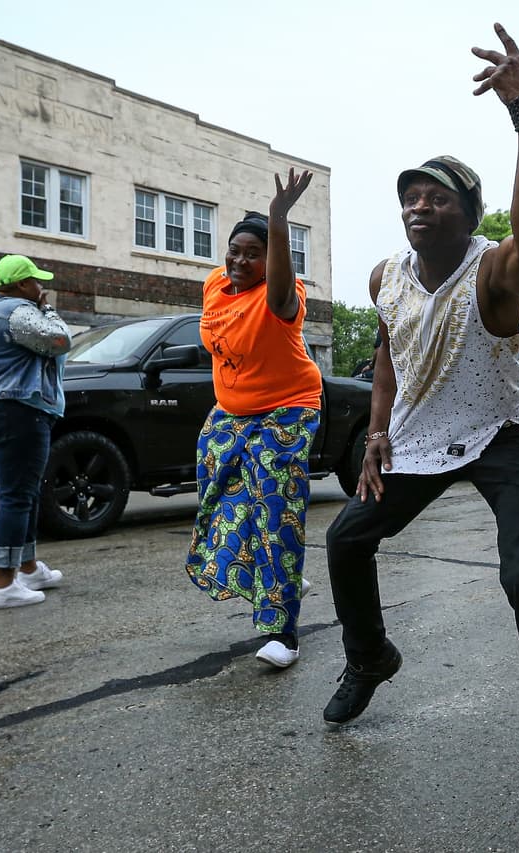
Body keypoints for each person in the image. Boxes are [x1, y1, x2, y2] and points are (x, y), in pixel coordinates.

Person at [323, 25, 519, 826]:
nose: (418, 203)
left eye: (436, 194)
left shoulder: (495, 269)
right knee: (346, 539)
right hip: (415, 438)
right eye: (410, 194)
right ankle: (369, 655)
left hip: (499, 432)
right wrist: (377, 431)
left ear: (469, 213)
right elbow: (387, 353)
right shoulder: (386, 275)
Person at [184, 169, 321, 670]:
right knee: (221, 500)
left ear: (271, 259)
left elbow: (281, 293)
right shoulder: (215, 285)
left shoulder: (285, 296)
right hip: (230, 413)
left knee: (274, 508)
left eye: (253, 253)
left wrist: (279, 219)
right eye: (234, 250)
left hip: (287, 409)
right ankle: (282, 570)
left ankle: (283, 630)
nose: (240, 260)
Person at [0, 254, 73, 609]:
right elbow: (60, 341)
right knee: (15, 497)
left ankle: (28, 568)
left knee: (20, 493)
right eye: (37, 282)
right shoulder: (18, 311)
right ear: (22, 285)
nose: (42, 288)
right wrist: (50, 311)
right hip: (17, 411)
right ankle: (3, 584)